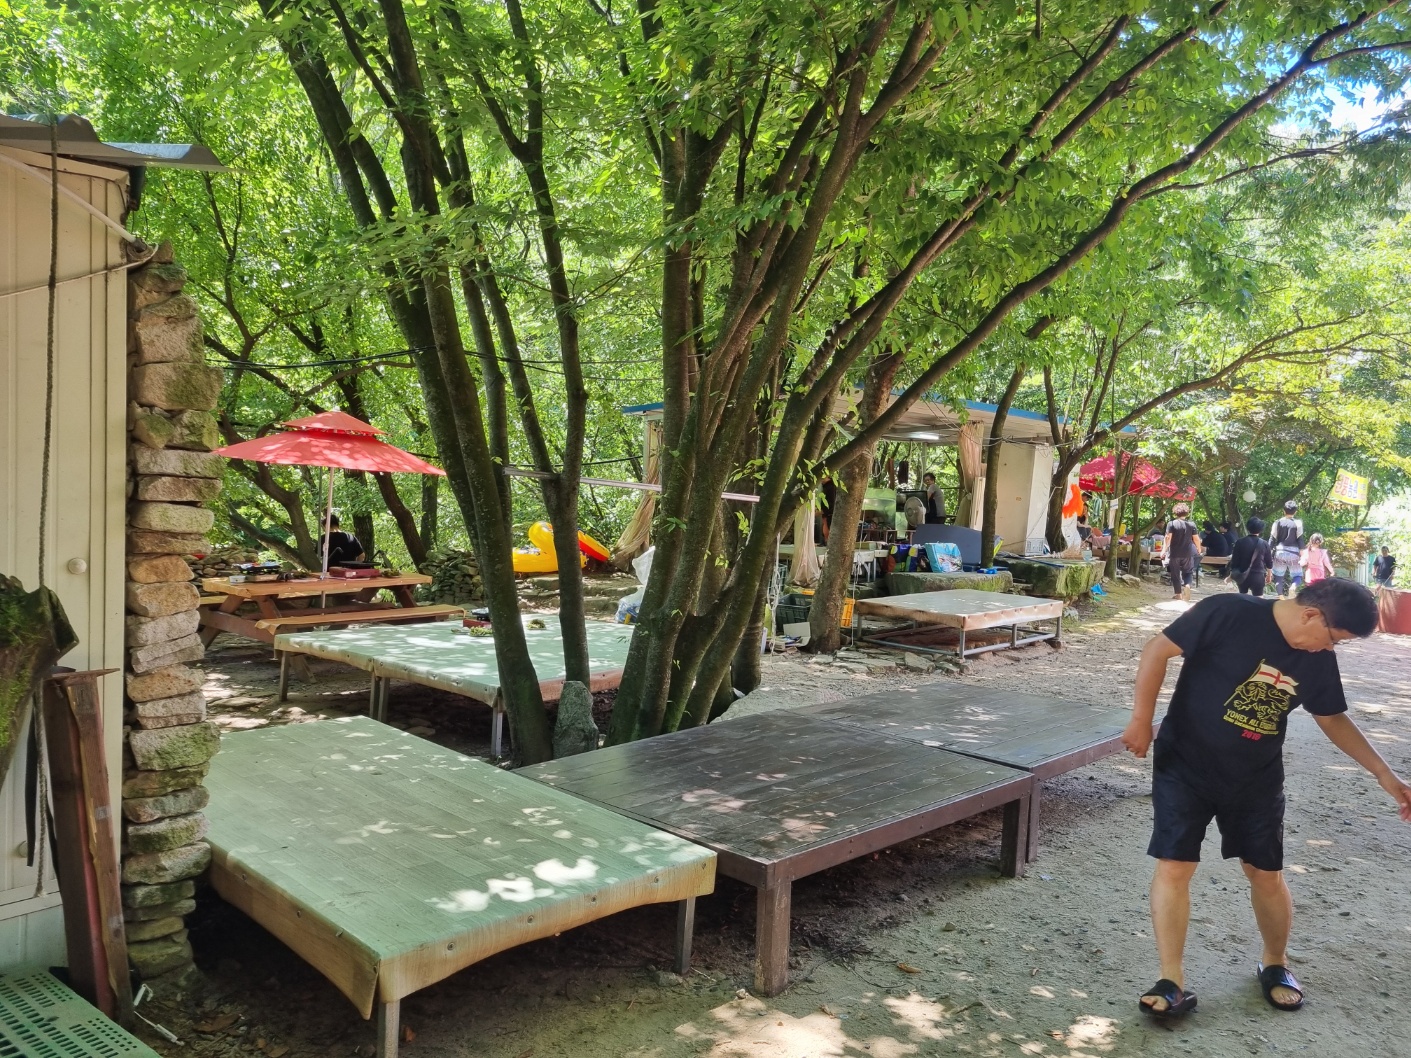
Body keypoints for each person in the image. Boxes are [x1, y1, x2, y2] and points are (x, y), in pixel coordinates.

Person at [1122, 579, 1411, 1019]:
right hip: (1184, 764)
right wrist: (1141, 720)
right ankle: (1171, 979)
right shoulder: (1227, 612)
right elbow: (1156, 650)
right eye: (1334, 639)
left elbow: (1332, 717)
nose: (1330, 649)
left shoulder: (1316, 658)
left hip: (1254, 777)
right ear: (1311, 615)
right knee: (1175, 865)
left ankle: (1275, 962)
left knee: (1265, 872)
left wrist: (1385, 775)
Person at [1163, 503, 1201, 602]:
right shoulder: (1191, 524)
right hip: (1188, 553)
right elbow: (1196, 539)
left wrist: (1164, 550)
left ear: (1175, 512)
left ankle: (1178, 594)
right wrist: (1199, 549)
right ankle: (1187, 585)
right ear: (1187, 513)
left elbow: (1168, 538)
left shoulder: (1171, 524)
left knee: (1175, 573)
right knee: (1188, 572)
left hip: (1174, 553)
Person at [1268, 501, 1305, 597]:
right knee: (1297, 575)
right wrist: (1303, 555)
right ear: (1295, 512)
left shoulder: (1277, 522)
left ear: (1284, 511)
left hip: (1280, 551)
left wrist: (1267, 552)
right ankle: (1293, 587)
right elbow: (1300, 539)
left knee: (1278, 577)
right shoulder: (1298, 523)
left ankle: (1280, 597)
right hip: (1294, 553)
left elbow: (1272, 539)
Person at [1229, 518, 1273, 596]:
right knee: (1258, 600)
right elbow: (1269, 562)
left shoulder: (1240, 542)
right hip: (1258, 576)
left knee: (1243, 598)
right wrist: (1269, 575)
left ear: (1248, 528)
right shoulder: (1264, 543)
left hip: (1242, 575)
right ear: (1261, 530)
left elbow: (1234, 561)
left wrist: (1231, 575)